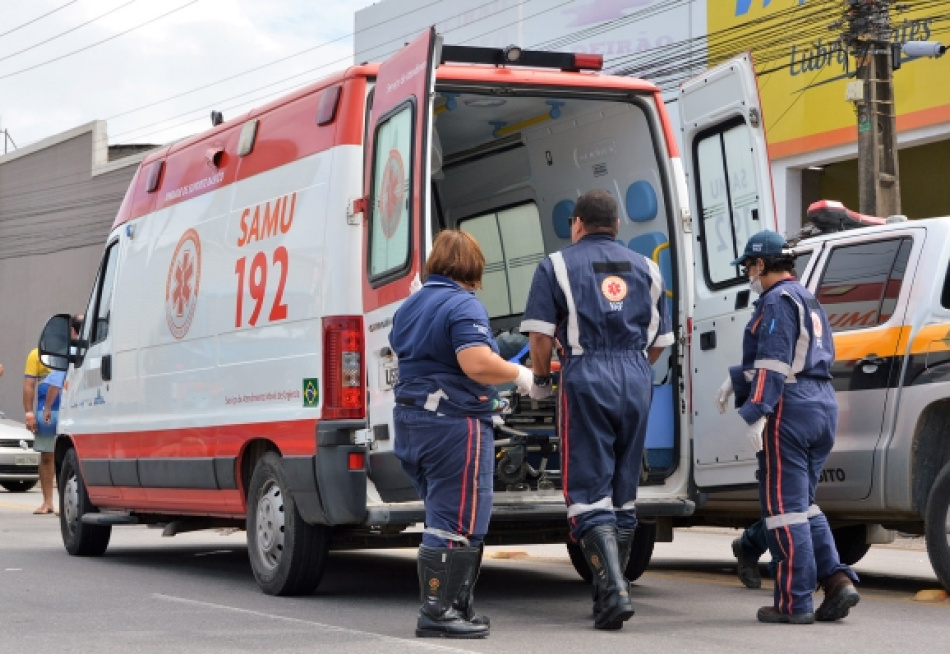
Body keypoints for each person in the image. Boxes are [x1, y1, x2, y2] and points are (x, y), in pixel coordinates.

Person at [520, 189, 673, 630]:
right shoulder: (649, 268)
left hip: (585, 374)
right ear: (618, 226)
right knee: (623, 491)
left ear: (577, 223)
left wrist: (543, 382)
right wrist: (633, 373)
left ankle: (614, 590)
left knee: (587, 491)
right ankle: (611, 589)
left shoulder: (555, 266)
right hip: (636, 375)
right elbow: (660, 342)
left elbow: (539, 339)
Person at [390, 230, 534, 639]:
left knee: (447, 512)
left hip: (413, 421)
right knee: (455, 518)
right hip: (452, 423)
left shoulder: (410, 305)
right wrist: (521, 375)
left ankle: (456, 605)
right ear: (471, 268)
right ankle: (438, 610)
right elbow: (476, 362)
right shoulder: (461, 303)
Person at [718, 231, 859, 624]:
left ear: (761, 265)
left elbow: (776, 364)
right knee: (802, 504)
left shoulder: (776, 301)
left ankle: (793, 602)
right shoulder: (806, 298)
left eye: (749, 266)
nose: (748, 274)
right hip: (821, 404)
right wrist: (737, 378)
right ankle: (836, 581)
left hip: (790, 409)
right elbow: (797, 357)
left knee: (783, 512)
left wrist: (757, 410)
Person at [23, 346, 53, 514]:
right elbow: (29, 385)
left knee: (69, 457)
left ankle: (68, 502)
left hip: (72, 410)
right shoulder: (36, 354)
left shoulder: (74, 352)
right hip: (46, 412)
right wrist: (29, 414)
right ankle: (47, 502)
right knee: (47, 456)